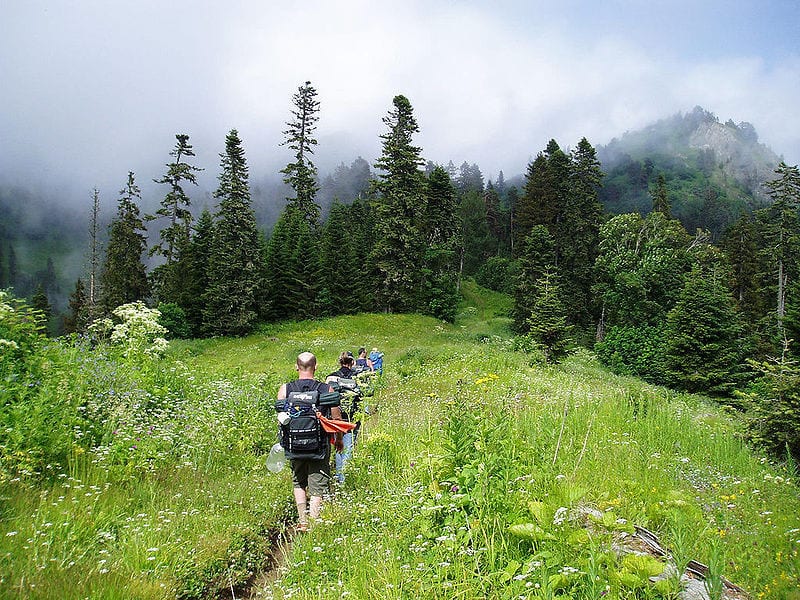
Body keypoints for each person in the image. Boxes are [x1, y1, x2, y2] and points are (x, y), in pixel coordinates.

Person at [277, 352, 343, 531]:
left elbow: (280, 417)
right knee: (318, 483)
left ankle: (302, 520)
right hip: (318, 445)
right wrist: (338, 440)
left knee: (298, 481)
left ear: (296, 366)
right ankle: (313, 523)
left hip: (294, 444)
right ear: (316, 366)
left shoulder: (285, 389)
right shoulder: (325, 389)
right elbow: (336, 417)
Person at [326, 351, 361, 484]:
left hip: (336, 418)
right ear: (352, 362)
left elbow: (327, 398)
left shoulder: (331, 377)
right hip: (353, 417)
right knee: (348, 447)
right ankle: (344, 480)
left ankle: (339, 477)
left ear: (340, 362)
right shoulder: (358, 376)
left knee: (338, 447)